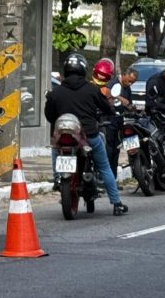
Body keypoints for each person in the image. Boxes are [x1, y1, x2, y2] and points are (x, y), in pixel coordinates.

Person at [43, 52, 128, 217]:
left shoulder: (56, 92)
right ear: (83, 70)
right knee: (104, 167)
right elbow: (107, 109)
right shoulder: (92, 90)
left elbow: (49, 116)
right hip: (89, 135)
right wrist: (110, 111)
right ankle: (117, 203)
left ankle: (57, 178)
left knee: (55, 148)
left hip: (63, 135)